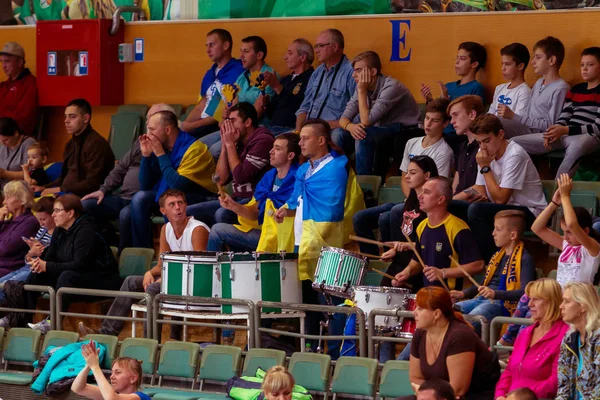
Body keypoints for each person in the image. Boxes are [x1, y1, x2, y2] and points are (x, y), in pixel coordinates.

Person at [78, 190, 209, 339]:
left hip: (195, 284)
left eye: (180, 203)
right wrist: (150, 273)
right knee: (130, 281)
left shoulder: (197, 229)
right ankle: (106, 333)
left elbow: (199, 268)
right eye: (172, 204)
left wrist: (166, 280)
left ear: (186, 206)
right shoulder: (166, 229)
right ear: (163, 211)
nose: (177, 207)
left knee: (153, 288)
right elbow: (161, 265)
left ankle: (150, 342)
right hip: (176, 281)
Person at [274, 119, 350, 360]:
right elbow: (299, 198)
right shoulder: (305, 170)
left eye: (306, 138)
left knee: (330, 304)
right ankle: (309, 352)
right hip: (302, 243)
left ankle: (336, 356)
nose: (301, 142)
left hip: (325, 245)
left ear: (321, 140)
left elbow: (331, 208)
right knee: (307, 304)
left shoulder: (336, 168)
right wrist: (286, 209)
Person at [500, 174, 600, 346]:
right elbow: (536, 228)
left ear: (586, 230)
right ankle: (509, 342)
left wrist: (567, 197)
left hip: (577, 299)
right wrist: (554, 203)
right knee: (529, 298)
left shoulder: (591, 248)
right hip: (557, 296)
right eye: (563, 232)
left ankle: (519, 345)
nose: (565, 237)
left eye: (568, 233)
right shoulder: (566, 245)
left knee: (538, 305)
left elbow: (573, 225)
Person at [453, 114, 546, 262]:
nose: (483, 147)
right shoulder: (483, 153)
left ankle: (495, 263)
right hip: (501, 208)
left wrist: (485, 167)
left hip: (529, 211)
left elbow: (501, 199)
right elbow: (479, 187)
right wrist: (448, 201)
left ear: (501, 134)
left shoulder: (514, 154)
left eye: (487, 141)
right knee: (449, 207)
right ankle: (464, 260)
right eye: (479, 142)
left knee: (476, 210)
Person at [23, 194, 121, 333]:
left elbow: (80, 265)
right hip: (76, 276)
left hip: (102, 278)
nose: (53, 215)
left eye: (57, 210)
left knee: (67, 276)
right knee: (36, 275)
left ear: (70, 213)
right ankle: (21, 320)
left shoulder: (87, 231)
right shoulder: (59, 230)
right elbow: (50, 259)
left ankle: (52, 321)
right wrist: (39, 264)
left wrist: (48, 266)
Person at [82, 104, 173, 251]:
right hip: (122, 196)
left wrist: (150, 155)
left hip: (146, 201)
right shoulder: (141, 142)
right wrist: (103, 190)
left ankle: (126, 255)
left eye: (152, 121)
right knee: (86, 205)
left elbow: (149, 184)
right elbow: (121, 167)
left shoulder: (168, 148)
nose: (148, 124)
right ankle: (105, 248)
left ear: (167, 126)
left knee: (125, 214)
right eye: (148, 119)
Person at [132, 109, 217, 248]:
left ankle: (174, 249)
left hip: (199, 195)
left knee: (171, 203)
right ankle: (142, 252)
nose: (149, 135)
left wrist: (160, 154)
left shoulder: (194, 149)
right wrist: (146, 156)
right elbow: (145, 185)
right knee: (139, 199)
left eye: (152, 129)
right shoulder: (161, 146)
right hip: (171, 193)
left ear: (167, 129)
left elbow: (178, 185)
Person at [374, 98, 453, 245]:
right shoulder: (411, 142)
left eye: (434, 121)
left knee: (390, 216)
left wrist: (417, 202)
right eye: (427, 118)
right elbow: (404, 176)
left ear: (445, 123)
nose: (427, 124)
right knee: (361, 218)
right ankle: (381, 258)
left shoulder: (444, 152)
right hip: (409, 200)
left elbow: (438, 186)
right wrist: (411, 200)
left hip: (426, 204)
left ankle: (400, 257)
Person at [511, 47, 600, 177]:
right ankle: (527, 184)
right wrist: (553, 131)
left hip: (588, 136)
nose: (585, 69)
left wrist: (565, 130)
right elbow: (565, 115)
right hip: (565, 134)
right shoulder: (576, 90)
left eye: (590, 65)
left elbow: (597, 128)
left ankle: (558, 191)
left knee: (577, 145)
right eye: (582, 65)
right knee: (514, 142)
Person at [399, 287, 500, 400]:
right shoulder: (420, 334)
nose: (414, 312)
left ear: (436, 314)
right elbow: (415, 378)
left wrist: (428, 395)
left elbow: (458, 390)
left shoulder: (459, 336)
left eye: (420, 308)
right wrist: (427, 395)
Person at [207, 133, 300, 252]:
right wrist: (233, 206)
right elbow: (254, 214)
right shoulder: (269, 177)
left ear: (290, 155)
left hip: (286, 240)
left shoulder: (298, 179)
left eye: (277, 148)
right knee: (217, 230)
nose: (271, 151)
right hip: (265, 234)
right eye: (272, 147)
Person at [188, 102, 274, 227]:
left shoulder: (263, 140)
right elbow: (221, 179)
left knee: (222, 214)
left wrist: (229, 144)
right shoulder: (236, 141)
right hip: (235, 199)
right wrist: (224, 145)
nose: (229, 126)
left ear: (248, 122)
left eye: (233, 121)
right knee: (187, 212)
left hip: (253, 202)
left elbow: (240, 177)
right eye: (227, 121)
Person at [392, 176, 484, 291]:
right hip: (430, 295)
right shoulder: (422, 226)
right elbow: (417, 261)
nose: (420, 196)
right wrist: (407, 272)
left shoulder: (457, 228)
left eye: (427, 192)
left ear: (440, 200)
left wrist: (443, 273)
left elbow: (478, 265)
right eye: (421, 191)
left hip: (454, 298)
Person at [451, 210, 536, 332]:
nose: (493, 233)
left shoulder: (525, 259)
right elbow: (483, 285)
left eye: (498, 229)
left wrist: (495, 294)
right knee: (447, 312)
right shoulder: (497, 255)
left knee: (469, 320)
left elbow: (524, 292)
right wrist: (462, 293)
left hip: (500, 303)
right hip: (481, 299)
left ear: (513, 235)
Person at [338, 50, 420, 175]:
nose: (354, 75)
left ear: (373, 72)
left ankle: (364, 183)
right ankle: (340, 179)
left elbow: (366, 121)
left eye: (359, 70)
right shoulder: (362, 88)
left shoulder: (392, 86)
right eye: (354, 70)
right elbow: (343, 119)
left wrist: (361, 91)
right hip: (380, 129)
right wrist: (351, 127)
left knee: (363, 134)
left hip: (403, 130)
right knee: (339, 134)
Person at [200, 36, 277, 157]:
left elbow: (256, 112)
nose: (241, 55)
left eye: (246, 51)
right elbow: (206, 102)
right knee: (198, 145)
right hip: (231, 124)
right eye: (241, 51)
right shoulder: (212, 73)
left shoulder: (264, 75)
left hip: (252, 127)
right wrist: (186, 124)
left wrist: (226, 120)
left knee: (213, 150)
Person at [494, 279, 569, 400]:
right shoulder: (525, 333)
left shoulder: (565, 336)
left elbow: (555, 382)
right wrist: (500, 395)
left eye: (536, 299)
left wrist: (520, 397)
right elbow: (509, 370)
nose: (530, 304)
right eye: (530, 298)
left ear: (552, 302)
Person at [379, 156, 440, 290]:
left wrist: (407, 245)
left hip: (419, 267)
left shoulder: (432, 205)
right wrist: (395, 250)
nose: (406, 177)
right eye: (407, 172)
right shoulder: (410, 201)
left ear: (427, 175)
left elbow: (431, 244)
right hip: (401, 263)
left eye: (413, 173)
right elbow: (405, 235)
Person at [295, 29, 356, 155]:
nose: (316, 50)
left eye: (320, 46)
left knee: (337, 136)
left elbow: (358, 111)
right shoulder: (317, 72)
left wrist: (328, 125)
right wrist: (298, 132)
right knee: (283, 140)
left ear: (335, 47)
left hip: (334, 129)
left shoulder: (352, 72)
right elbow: (304, 107)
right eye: (315, 46)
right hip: (311, 128)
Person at [38, 99, 115, 198]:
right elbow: (64, 178)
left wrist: (60, 189)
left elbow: (93, 184)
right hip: (66, 193)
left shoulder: (97, 144)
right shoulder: (70, 144)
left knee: (41, 206)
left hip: (86, 196)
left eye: (72, 116)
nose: (66, 121)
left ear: (86, 118)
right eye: (65, 116)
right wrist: (44, 188)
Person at [499, 37, 569, 138]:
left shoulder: (561, 88)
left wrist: (514, 116)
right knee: (491, 122)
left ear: (552, 60)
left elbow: (550, 126)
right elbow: (527, 113)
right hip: (525, 127)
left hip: (540, 134)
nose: (533, 62)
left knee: (495, 125)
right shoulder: (539, 82)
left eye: (538, 57)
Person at [181, 29, 245, 138]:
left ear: (225, 46)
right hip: (202, 123)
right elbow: (201, 106)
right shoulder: (210, 73)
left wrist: (192, 126)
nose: (207, 50)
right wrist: (184, 126)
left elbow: (221, 111)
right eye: (206, 46)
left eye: (212, 45)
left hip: (219, 124)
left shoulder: (239, 70)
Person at [421, 42, 486, 148]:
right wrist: (430, 101)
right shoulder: (449, 86)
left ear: (474, 64)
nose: (457, 62)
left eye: (462, 59)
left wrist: (446, 100)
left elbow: (475, 118)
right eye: (457, 58)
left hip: (455, 134)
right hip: (439, 131)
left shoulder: (476, 87)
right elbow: (438, 114)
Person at [0, 196, 55, 304]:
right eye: (39, 219)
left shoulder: (59, 233)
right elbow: (27, 258)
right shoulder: (43, 230)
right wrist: (31, 252)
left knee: (7, 287)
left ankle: (13, 318)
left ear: (53, 215)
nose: (41, 223)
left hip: (39, 271)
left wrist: (42, 253)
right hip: (27, 267)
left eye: (43, 219)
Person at [556, 282, 600, 400]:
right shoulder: (569, 338)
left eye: (567, 301)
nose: (561, 306)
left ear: (583, 306)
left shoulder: (598, 338)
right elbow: (563, 385)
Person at [263, 38, 315, 136]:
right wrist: (266, 104)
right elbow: (272, 114)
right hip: (272, 128)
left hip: (290, 130)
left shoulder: (313, 78)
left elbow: (300, 108)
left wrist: (277, 87)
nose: (285, 57)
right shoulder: (286, 79)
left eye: (290, 53)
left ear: (303, 57)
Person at [72, 341, 151, 400]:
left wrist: (95, 366)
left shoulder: (140, 397)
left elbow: (112, 399)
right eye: (112, 372)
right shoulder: (113, 394)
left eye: (118, 372)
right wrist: (88, 366)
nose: (112, 376)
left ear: (133, 378)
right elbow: (78, 388)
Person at [0, 180, 39, 278]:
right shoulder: (7, 222)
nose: (4, 202)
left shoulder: (29, 222)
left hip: (10, 272)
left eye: (8, 197)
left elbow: (4, 249)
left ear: (22, 200)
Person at [447, 95, 484, 196]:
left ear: (472, 114)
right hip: (458, 202)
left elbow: (480, 187)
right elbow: (456, 184)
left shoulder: (484, 147)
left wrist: (453, 201)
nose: (452, 121)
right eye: (451, 117)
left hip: (472, 203)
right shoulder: (461, 147)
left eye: (456, 115)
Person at [0, 41, 38, 136]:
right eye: (2, 62)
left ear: (19, 62)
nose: (3, 66)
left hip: (16, 137)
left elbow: (23, 119)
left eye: (7, 61)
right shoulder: (3, 86)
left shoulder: (30, 84)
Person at [487, 43, 531, 119]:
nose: (503, 68)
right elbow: (491, 112)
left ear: (520, 66)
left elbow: (520, 120)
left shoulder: (524, 91)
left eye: (507, 64)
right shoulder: (499, 88)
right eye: (502, 64)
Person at [0, 116, 36, 189]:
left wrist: (5, 174)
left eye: (5, 140)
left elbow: (31, 173)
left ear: (16, 133)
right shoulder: (2, 143)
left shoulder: (28, 144)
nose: (2, 143)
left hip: (18, 188)